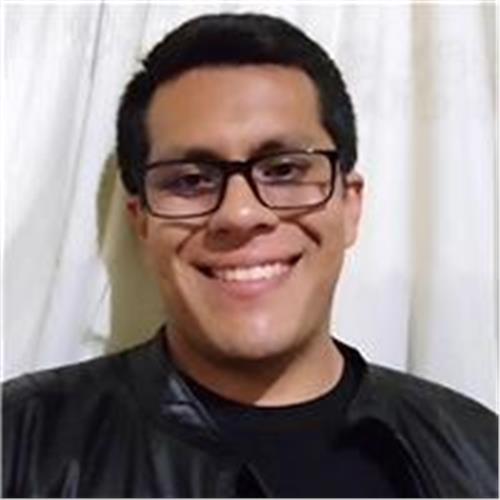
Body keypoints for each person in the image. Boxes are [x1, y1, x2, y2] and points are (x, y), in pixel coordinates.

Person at [3, 13, 497, 498]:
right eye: (191, 180)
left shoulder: (481, 453)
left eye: (284, 170)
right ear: (142, 224)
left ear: (350, 206)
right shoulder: (20, 446)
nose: (240, 214)